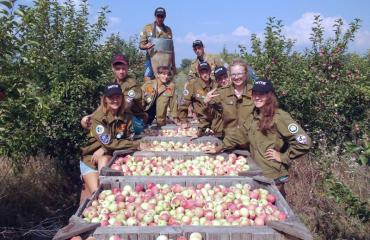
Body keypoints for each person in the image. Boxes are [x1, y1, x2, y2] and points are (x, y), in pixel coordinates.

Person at [206, 78, 312, 195]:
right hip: (257, 171)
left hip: (273, 174)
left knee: (275, 206)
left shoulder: (279, 116)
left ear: (270, 96)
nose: (257, 97)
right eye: (255, 94)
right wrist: (219, 147)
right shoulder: (254, 115)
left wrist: (283, 157)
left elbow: (304, 142)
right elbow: (240, 135)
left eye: (262, 94)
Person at [80, 83, 140, 198]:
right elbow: (109, 142)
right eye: (111, 97)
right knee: (97, 194)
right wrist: (137, 145)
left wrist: (104, 148)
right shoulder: (98, 118)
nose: (115, 100)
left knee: (108, 189)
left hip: (109, 155)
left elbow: (127, 138)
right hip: (90, 158)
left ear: (122, 98)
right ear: (105, 99)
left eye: (117, 96)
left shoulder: (126, 115)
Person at [81, 54, 146, 129]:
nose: (121, 71)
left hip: (136, 119)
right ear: (113, 69)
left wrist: (103, 117)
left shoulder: (132, 84)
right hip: (121, 116)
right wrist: (92, 116)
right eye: (118, 69)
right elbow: (105, 103)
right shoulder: (113, 84)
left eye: (123, 68)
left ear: (127, 68)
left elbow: (127, 104)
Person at [203, 58, 254, 138]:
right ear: (230, 75)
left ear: (246, 74)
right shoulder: (220, 93)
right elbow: (212, 116)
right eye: (233, 74)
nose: (236, 77)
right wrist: (206, 103)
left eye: (239, 74)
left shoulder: (255, 92)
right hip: (229, 142)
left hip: (250, 142)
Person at [178, 62, 220, 135]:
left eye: (206, 71)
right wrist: (183, 121)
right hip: (202, 120)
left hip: (216, 119)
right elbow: (183, 104)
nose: (205, 74)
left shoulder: (216, 84)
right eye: (202, 72)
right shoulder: (192, 85)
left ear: (210, 71)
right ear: (198, 73)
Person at [139, 7, 176, 81]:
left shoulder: (168, 30)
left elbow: (171, 49)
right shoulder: (147, 28)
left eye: (162, 16)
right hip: (151, 58)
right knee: (148, 80)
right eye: (158, 16)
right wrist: (146, 46)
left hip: (165, 61)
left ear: (165, 17)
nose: (160, 18)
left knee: (165, 81)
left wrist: (173, 64)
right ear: (155, 16)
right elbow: (141, 45)